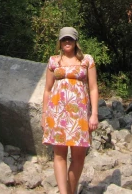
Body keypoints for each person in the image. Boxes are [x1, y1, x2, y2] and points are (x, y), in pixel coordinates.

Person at [42, 27, 99, 194]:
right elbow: (47, 89)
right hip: (56, 114)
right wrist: (44, 115)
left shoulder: (87, 60)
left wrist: (94, 114)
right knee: (59, 155)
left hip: (80, 115)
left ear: (75, 42)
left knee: (79, 156)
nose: (67, 42)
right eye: (64, 39)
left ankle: (71, 190)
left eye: (70, 39)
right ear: (60, 42)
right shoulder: (53, 61)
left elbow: (93, 88)